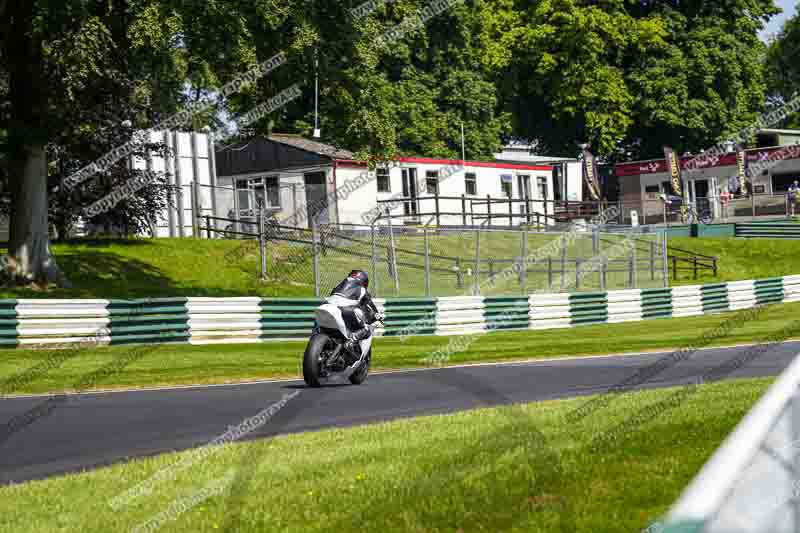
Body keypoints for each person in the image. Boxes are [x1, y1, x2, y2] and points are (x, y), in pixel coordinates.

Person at [326, 269, 383, 359]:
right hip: (345, 309)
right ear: (364, 281)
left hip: (328, 306)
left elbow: (332, 295)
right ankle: (352, 340)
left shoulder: (340, 284)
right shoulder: (362, 289)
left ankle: (316, 335)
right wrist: (377, 316)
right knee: (366, 329)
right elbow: (369, 305)